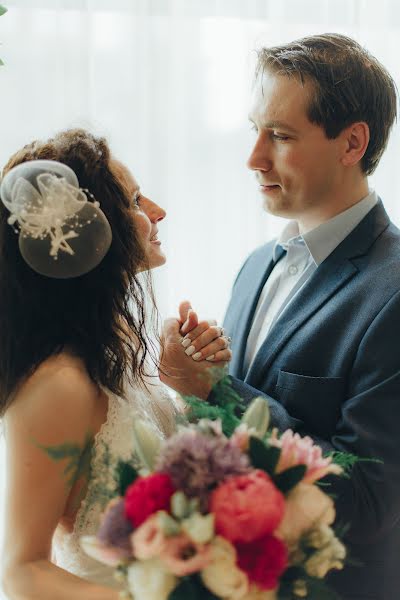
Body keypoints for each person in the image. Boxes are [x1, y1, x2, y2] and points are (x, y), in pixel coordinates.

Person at [160, 34, 400, 600]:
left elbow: (367, 500)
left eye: (281, 136)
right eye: (255, 130)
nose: (253, 158)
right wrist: (194, 378)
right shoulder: (253, 268)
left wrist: (219, 389)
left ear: (352, 143)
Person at [0, 128, 230, 599]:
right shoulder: (58, 383)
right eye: (136, 199)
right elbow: (20, 570)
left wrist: (191, 387)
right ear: (86, 231)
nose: (158, 212)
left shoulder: (118, 345)